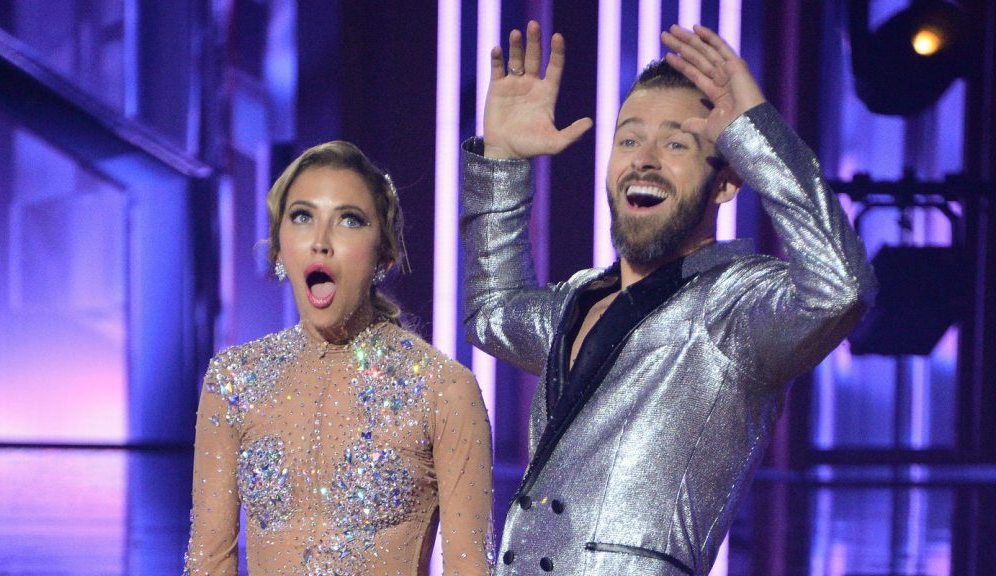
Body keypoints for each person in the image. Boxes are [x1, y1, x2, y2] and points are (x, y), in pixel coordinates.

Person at [461, 21, 877, 575]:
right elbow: (491, 312)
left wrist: (757, 136)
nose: (644, 159)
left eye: (676, 143)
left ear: (726, 181)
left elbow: (841, 289)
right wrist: (504, 162)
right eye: (629, 140)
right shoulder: (579, 298)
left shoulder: (732, 308)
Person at [184, 141, 494, 575]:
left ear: (384, 255)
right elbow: (208, 561)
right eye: (302, 217)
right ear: (279, 250)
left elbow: (469, 567)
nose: (320, 242)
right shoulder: (234, 379)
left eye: (349, 220)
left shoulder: (443, 390)